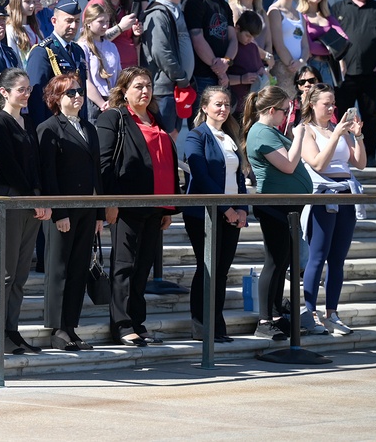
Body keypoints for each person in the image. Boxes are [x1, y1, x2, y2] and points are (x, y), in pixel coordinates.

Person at [96, 67, 179, 346]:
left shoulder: (156, 119)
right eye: (138, 86)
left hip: (155, 205)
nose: (145, 91)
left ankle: (137, 321)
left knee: (143, 266)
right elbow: (104, 164)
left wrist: (168, 207)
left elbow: (165, 163)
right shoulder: (113, 117)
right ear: (124, 91)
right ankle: (121, 324)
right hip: (126, 205)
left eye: (148, 86)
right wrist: (111, 202)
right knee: (123, 265)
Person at [37, 72, 102, 351]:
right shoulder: (49, 128)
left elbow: (95, 173)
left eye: (79, 92)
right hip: (63, 210)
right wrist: (59, 211)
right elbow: (48, 174)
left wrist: (99, 213)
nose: (77, 97)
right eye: (70, 93)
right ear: (56, 99)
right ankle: (57, 327)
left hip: (86, 208)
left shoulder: (88, 127)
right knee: (59, 267)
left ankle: (71, 325)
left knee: (78, 267)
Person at [242, 85, 312, 340]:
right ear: (272, 110)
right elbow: (289, 165)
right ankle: (263, 320)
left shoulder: (269, 131)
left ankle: (275, 315)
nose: (287, 116)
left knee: (282, 262)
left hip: (287, 206)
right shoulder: (261, 132)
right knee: (274, 262)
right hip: (274, 206)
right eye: (284, 111)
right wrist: (300, 135)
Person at [0, 68, 50, 354]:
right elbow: (8, 167)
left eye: (28, 89)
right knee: (6, 272)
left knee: (21, 273)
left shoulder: (27, 121)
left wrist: (42, 198)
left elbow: (36, 166)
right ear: (4, 92)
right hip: (11, 200)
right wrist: (31, 197)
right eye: (21, 90)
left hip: (30, 201)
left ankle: (12, 329)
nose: (26, 94)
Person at [299, 82, 366, 335]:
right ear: (312, 105)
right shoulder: (305, 130)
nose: (331, 108)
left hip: (346, 193)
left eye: (333, 104)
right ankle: (311, 313)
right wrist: (337, 134)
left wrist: (357, 135)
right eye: (326, 104)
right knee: (318, 256)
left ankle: (332, 313)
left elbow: (360, 163)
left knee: (338, 259)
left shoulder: (341, 130)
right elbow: (317, 163)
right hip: (323, 195)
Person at [184, 86, 248, 342]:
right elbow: (201, 176)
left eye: (227, 104)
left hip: (232, 214)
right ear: (204, 107)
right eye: (218, 104)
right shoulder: (196, 136)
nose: (223, 109)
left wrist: (242, 208)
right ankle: (202, 325)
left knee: (221, 270)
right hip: (204, 214)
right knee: (207, 268)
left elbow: (239, 176)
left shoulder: (230, 135)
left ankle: (217, 325)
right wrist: (227, 209)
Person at [332, 0, 376, 161]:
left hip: (372, 74)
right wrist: (339, 60)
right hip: (344, 74)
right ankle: (342, 154)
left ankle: (371, 155)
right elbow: (330, 39)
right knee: (341, 115)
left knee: (371, 117)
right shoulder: (338, 8)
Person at [142, 0, 194, 134]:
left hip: (178, 88)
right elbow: (160, 51)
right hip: (163, 89)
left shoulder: (177, 10)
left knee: (172, 137)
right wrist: (180, 76)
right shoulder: (157, 13)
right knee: (162, 138)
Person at [27, 0, 87, 124]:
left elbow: (82, 92)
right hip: (55, 125)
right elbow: (36, 97)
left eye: (77, 21)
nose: (74, 26)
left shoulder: (77, 50)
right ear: (54, 21)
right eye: (69, 21)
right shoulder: (43, 51)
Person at [183, 0, 235, 104]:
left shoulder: (223, 4)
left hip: (223, 75)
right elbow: (197, 39)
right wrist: (218, 67)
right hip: (202, 76)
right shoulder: (193, 2)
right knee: (201, 124)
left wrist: (227, 62)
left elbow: (233, 39)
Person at [88, 0, 141, 70]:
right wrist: (121, 27)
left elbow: (128, 40)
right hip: (109, 68)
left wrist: (136, 34)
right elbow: (94, 38)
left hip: (130, 67)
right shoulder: (97, 5)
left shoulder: (125, 4)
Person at [268, 0, 310, 100]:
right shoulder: (275, 11)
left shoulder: (299, 13)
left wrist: (302, 62)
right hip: (282, 67)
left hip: (300, 70)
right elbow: (278, 45)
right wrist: (292, 65)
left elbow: (305, 45)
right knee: (284, 108)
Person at [299, 0, 347, 87]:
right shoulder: (301, 16)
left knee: (327, 100)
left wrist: (319, 45)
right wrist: (332, 46)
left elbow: (344, 40)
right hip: (310, 66)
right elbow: (309, 47)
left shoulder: (327, 16)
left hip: (327, 65)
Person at [78, 3, 120, 120]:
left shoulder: (111, 46)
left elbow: (119, 74)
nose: (105, 26)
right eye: (100, 22)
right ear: (88, 23)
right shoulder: (82, 46)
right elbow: (86, 81)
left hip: (112, 100)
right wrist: (102, 104)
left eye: (107, 22)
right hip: (93, 102)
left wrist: (114, 99)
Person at [227, 0, 273, 65]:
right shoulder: (233, 10)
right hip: (243, 65)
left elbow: (268, 41)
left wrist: (268, 60)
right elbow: (243, 39)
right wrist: (266, 56)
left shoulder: (262, 12)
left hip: (262, 66)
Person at [227, 11, 268, 117]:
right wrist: (242, 79)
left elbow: (260, 68)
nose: (250, 39)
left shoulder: (253, 47)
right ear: (237, 28)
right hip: (232, 106)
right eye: (247, 35)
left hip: (249, 107)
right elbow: (222, 77)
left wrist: (261, 72)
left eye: (253, 37)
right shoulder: (229, 47)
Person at [5, 0, 42, 67]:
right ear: (17, 3)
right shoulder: (10, 29)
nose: (32, 5)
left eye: (33, 2)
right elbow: (13, 58)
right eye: (27, 1)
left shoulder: (36, 28)